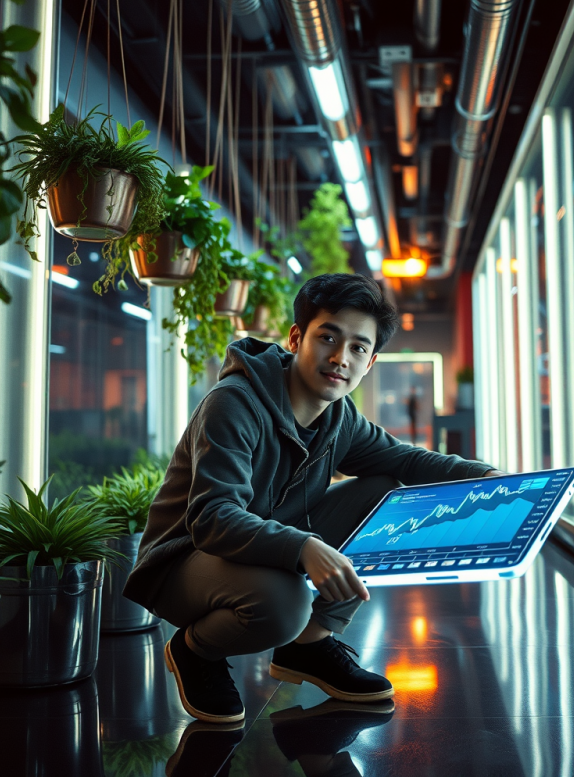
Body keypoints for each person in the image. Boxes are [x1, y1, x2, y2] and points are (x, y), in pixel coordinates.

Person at [124, 273, 501, 725]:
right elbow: (211, 518)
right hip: (185, 561)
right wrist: (303, 547)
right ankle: (194, 650)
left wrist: (488, 477)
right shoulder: (234, 404)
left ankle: (310, 646)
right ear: (297, 337)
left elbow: (404, 460)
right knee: (284, 603)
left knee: (383, 491)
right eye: (328, 338)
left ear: (371, 362)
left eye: (359, 348)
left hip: (256, 552)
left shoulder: (339, 417)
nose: (341, 358)